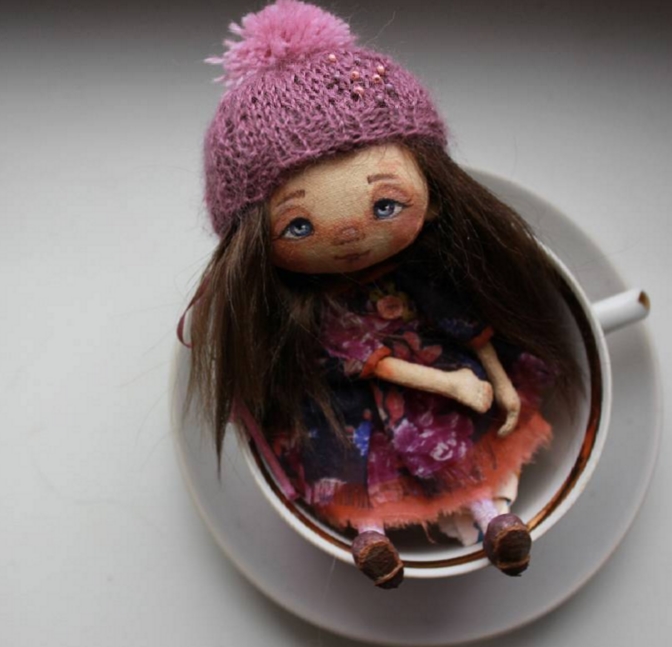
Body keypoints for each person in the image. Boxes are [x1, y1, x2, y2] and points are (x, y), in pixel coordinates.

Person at [185, 0, 578, 588]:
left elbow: (464, 323)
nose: (349, 235)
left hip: (448, 389)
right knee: (355, 466)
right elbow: (359, 359)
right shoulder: (310, 311)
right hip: (357, 408)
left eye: (385, 205)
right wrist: (449, 383)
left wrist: (497, 378)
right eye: (299, 226)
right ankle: (370, 536)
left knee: (466, 453)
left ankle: (491, 518)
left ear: (435, 192)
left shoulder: (430, 274)